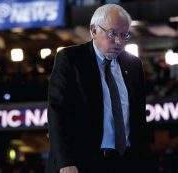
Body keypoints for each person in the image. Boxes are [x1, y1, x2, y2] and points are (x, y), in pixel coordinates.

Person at [46, 4, 150, 173]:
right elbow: (58, 113)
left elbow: (139, 120)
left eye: (124, 35)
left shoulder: (134, 64)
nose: (119, 41)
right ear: (94, 31)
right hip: (82, 162)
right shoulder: (70, 59)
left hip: (127, 162)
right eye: (112, 33)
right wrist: (66, 162)